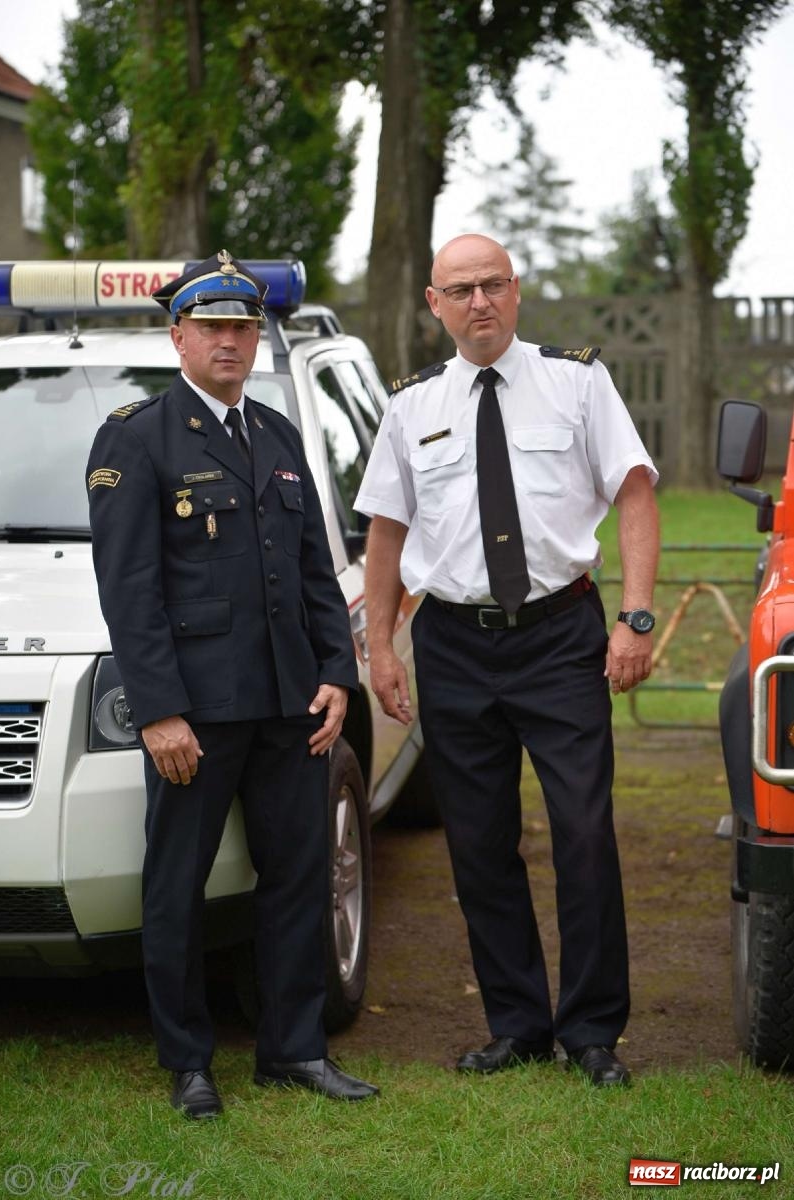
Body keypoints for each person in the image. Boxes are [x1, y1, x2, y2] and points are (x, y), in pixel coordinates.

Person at [355, 234, 659, 1087]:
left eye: (492, 284)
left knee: (583, 833)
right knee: (478, 843)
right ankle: (516, 1024)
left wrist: (634, 619)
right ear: (435, 304)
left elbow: (634, 492)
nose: (479, 301)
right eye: (460, 290)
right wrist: (380, 647)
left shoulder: (577, 382)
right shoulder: (411, 405)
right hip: (453, 643)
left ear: (516, 290)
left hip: (561, 638)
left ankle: (591, 1032)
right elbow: (386, 530)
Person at [86, 250, 378, 1117]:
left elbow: (314, 570)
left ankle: (293, 1050)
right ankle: (189, 1063)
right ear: (177, 335)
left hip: (290, 706)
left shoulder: (279, 435)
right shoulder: (138, 437)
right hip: (198, 714)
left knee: (297, 877)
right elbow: (129, 591)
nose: (229, 342)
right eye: (211, 326)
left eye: (243, 328)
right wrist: (159, 712)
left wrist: (336, 674)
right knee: (177, 885)